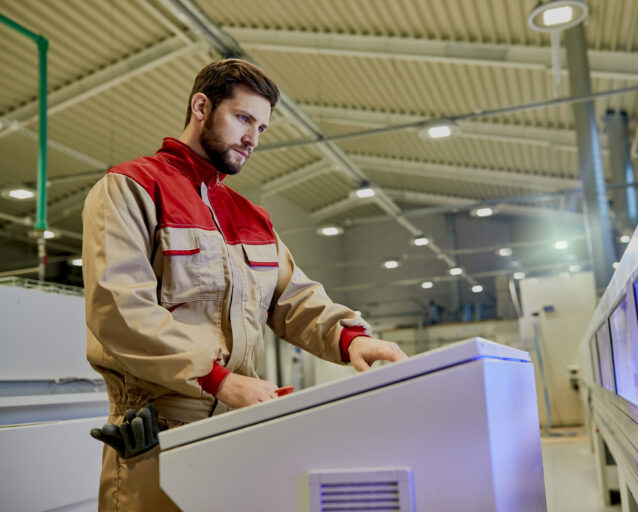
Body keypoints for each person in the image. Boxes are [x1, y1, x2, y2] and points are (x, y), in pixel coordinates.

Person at [82, 59, 407, 511]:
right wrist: (217, 380)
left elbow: (292, 297)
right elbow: (120, 309)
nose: (253, 138)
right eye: (243, 118)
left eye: (262, 127)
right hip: (155, 435)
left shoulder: (250, 216)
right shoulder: (131, 188)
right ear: (201, 106)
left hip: (238, 430)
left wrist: (350, 337)